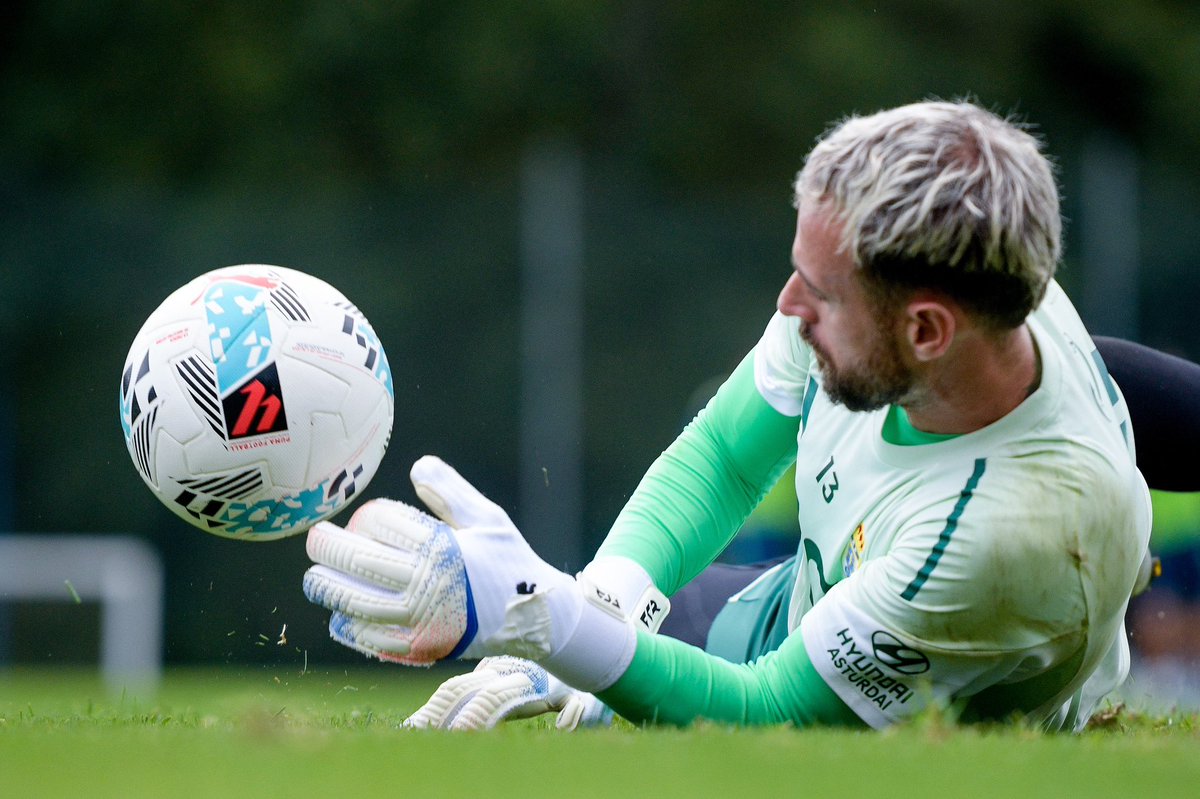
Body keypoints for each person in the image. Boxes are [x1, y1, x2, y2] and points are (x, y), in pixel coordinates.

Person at [302, 100, 1156, 731]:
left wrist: (548, 621)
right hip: (791, 604)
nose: (789, 306)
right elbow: (721, 458)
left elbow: (770, 713)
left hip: (894, 720)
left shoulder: (1000, 536)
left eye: (818, 295)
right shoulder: (970, 292)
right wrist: (602, 600)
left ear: (927, 329)